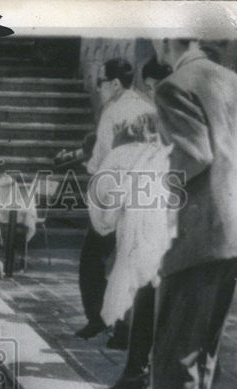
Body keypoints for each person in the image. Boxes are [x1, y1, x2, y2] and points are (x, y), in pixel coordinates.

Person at [131, 39, 237, 389]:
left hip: (197, 231)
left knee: (174, 343)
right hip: (235, 230)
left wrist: (155, 183)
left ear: (168, 40)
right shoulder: (236, 82)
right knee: (203, 343)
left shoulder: (173, 85)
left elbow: (195, 155)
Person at [76, 58, 153, 343]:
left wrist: (92, 176)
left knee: (92, 260)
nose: (98, 88)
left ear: (115, 84)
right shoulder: (149, 108)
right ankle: (123, 329)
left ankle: (98, 318)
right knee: (129, 260)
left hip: (115, 196)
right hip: (144, 196)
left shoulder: (112, 112)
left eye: (101, 82)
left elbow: (102, 159)